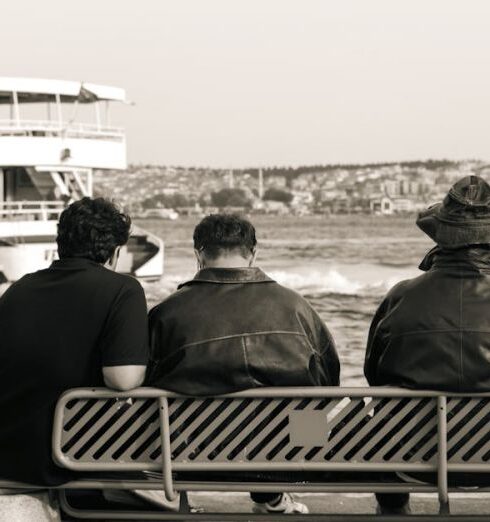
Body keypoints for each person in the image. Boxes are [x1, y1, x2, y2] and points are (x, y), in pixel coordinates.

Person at [146, 213, 340, 515]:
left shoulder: (167, 312)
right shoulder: (296, 307)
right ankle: (271, 497)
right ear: (253, 254)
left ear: (199, 255)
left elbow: (146, 381)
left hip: (191, 459)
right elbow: (329, 382)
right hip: (289, 458)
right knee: (305, 411)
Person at [0, 197, 148, 487]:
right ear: (116, 252)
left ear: (60, 244)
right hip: (70, 455)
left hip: (8, 452)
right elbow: (122, 379)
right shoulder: (123, 290)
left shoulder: (18, 289)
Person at [364, 175, 490, 514]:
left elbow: (373, 375)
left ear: (440, 241)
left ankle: (393, 508)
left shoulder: (401, 296)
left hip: (410, 454)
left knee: (383, 414)